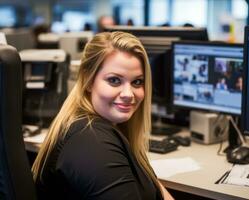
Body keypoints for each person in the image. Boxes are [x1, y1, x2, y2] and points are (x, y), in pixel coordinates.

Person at [32, 31, 174, 200]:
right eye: (114, 80)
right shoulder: (91, 140)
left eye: (137, 82)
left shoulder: (101, 127)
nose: (129, 94)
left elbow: (155, 185)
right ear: (88, 81)